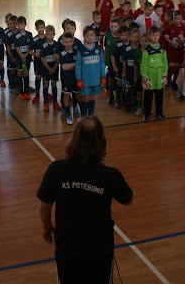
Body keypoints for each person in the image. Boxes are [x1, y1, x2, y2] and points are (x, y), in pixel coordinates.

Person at [37, 116, 133, 284]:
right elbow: (128, 199)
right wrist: (105, 168)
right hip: (99, 251)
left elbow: (44, 206)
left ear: (74, 138)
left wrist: (47, 227)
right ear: (101, 141)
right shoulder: (110, 175)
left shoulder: (56, 169)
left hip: (67, 248)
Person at [75, 26, 106, 118]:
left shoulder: (98, 49)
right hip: (85, 80)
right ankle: (83, 116)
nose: (90, 37)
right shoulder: (81, 50)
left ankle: (91, 116)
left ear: (95, 36)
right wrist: (78, 79)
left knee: (92, 97)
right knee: (86, 97)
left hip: (95, 79)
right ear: (84, 36)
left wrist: (103, 76)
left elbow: (102, 64)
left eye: (91, 35)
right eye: (87, 35)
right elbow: (78, 66)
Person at [140, 25, 168, 121]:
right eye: (153, 35)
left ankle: (159, 113)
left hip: (159, 75)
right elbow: (143, 64)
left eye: (157, 35)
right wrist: (145, 77)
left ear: (159, 35)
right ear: (149, 36)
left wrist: (165, 74)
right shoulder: (147, 49)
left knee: (159, 96)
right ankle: (146, 113)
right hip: (150, 75)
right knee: (148, 97)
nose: (155, 37)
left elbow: (165, 62)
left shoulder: (162, 48)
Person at [40, 25, 61, 111]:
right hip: (46, 69)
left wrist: (54, 68)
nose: (50, 36)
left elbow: (59, 58)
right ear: (45, 35)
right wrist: (49, 69)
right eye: (48, 34)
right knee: (46, 84)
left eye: (51, 34)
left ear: (54, 34)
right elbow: (42, 58)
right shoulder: (44, 46)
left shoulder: (57, 45)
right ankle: (45, 102)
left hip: (54, 68)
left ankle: (55, 101)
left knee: (54, 84)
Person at [58, 33, 78, 125]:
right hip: (66, 78)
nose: (68, 43)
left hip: (75, 77)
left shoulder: (77, 52)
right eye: (66, 42)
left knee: (76, 94)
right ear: (63, 43)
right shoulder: (62, 53)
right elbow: (64, 67)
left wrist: (69, 65)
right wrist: (74, 64)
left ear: (73, 41)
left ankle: (75, 108)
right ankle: (68, 114)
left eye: (70, 41)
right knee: (66, 96)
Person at [31, 19, 47, 103]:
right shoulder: (34, 39)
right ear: (36, 29)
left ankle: (46, 93)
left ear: (44, 27)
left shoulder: (47, 38)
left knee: (45, 78)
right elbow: (29, 51)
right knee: (38, 77)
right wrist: (36, 55)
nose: (40, 29)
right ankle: (37, 94)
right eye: (39, 28)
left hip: (46, 63)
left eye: (42, 27)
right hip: (37, 62)